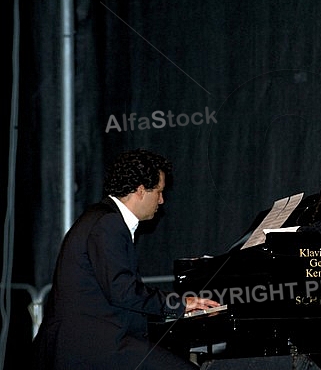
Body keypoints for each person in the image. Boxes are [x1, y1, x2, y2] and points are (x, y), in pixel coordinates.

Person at [32, 148, 221, 369]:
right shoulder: (108, 223)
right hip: (91, 346)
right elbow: (123, 290)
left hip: (92, 340)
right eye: (159, 192)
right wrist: (180, 304)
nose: (161, 201)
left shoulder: (101, 217)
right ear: (141, 190)